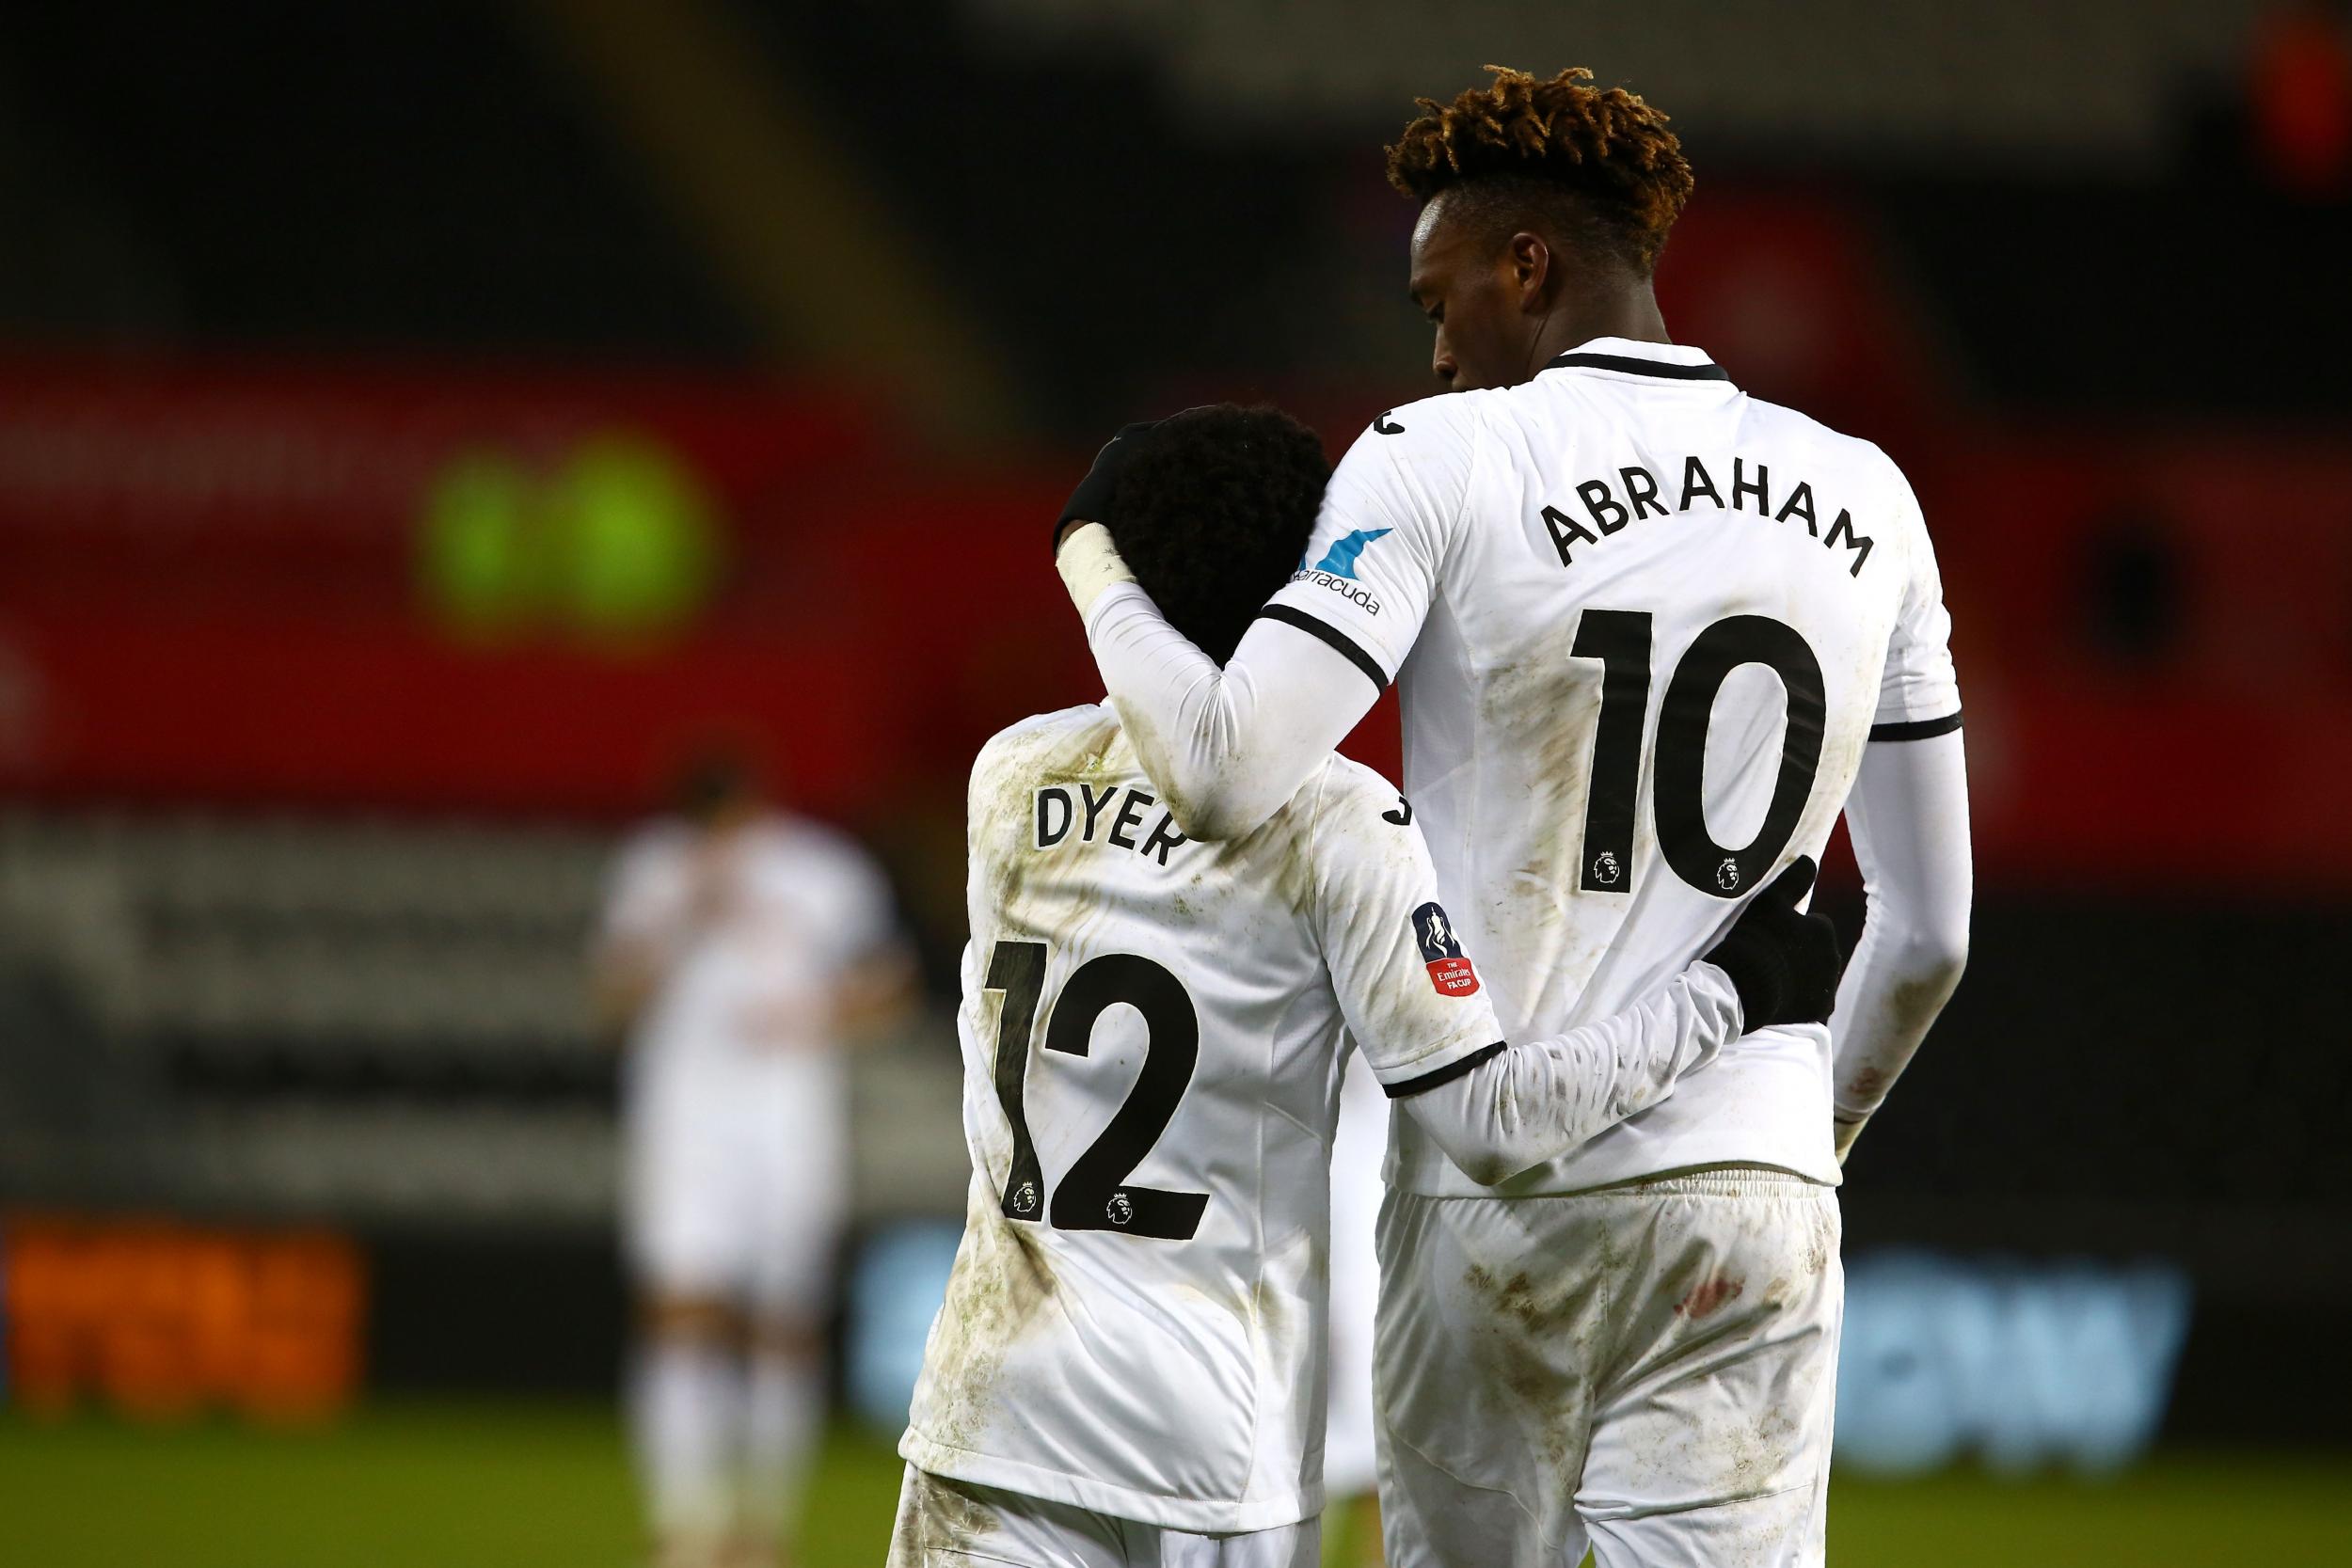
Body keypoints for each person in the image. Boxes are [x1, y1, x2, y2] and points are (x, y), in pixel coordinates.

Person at [1052, 67, 1972, 1568]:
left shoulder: (1436, 459)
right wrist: (1814, 1126)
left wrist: (1090, 550)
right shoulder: (1867, 493)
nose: (1435, 347)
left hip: (1500, 1188)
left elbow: (1223, 768)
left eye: (1441, 296)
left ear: (1527, 266)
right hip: (1753, 1181)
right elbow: (1929, 930)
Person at [891, 404, 1841, 1568]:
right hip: (1218, 1454)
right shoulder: (1343, 826)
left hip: (999, 1412)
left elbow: (1171, 724)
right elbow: (1496, 1121)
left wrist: (1090, 553)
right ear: (1307, 584)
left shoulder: (1011, 775)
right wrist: (1731, 991)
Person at [596, 752, 912, 1568]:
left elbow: (890, 984)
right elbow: (612, 1003)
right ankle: (684, 1523)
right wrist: (683, 917)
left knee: (783, 1320)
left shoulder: (822, 870)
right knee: (680, 1308)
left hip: (786, 1116)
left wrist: (812, 1013)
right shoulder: (655, 872)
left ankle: (763, 1529)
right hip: (685, 1117)